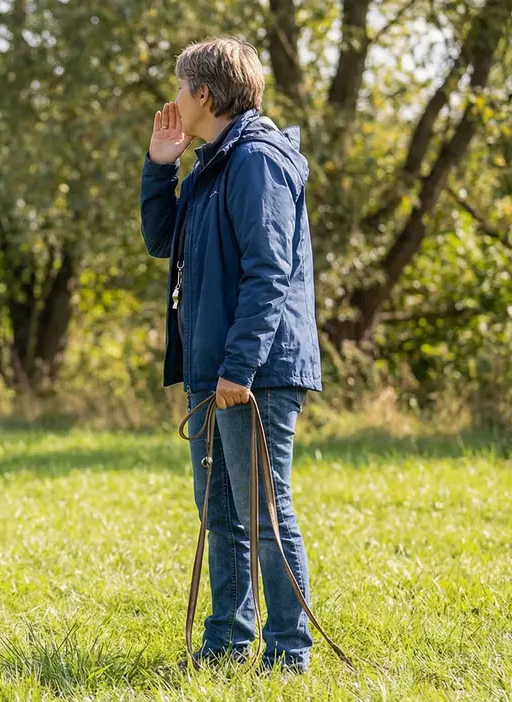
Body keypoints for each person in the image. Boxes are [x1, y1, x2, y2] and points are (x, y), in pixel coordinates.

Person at [139, 37, 323, 673]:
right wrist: (161, 166)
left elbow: (269, 273)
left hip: (254, 373)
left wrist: (238, 368)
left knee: (265, 513)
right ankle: (225, 644)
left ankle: (289, 654)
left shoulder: (256, 160)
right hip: (213, 371)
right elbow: (162, 240)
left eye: (180, 87)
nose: (174, 99)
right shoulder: (211, 164)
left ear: (204, 94)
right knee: (220, 513)